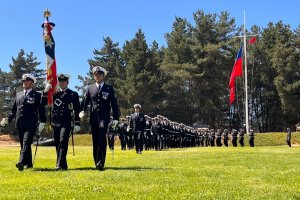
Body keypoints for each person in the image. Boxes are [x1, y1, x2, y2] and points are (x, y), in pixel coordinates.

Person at [0, 74, 46, 171]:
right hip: (20, 123)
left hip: (31, 124)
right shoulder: (18, 94)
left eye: (27, 81)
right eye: (23, 81)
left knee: (26, 142)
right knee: (24, 144)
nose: (24, 82)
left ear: (32, 83)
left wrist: (43, 121)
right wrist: (7, 119)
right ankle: (28, 164)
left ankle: (21, 162)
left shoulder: (37, 95)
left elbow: (41, 109)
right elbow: (13, 110)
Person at [79, 66, 119, 171]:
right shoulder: (90, 88)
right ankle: (96, 161)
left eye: (100, 75)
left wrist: (116, 118)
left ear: (103, 76)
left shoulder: (109, 88)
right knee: (95, 140)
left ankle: (101, 161)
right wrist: (82, 110)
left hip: (104, 118)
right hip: (93, 118)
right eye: (96, 75)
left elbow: (114, 104)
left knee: (102, 138)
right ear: (94, 76)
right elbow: (85, 101)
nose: (97, 76)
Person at [46, 74, 81, 170]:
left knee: (63, 141)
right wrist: (45, 91)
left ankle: (59, 164)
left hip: (66, 121)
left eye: (64, 81)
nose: (62, 83)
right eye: (60, 81)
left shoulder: (73, 94)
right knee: (57, 143)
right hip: (56, 122)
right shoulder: (55, 94)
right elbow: (44, 102)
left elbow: (77, 109)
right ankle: (63, 164)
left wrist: (77, 122)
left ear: (67, 82)